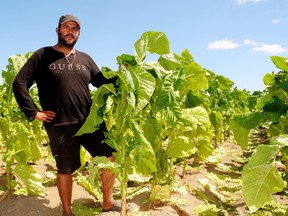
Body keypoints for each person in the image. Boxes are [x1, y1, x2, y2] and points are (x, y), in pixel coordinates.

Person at [12, 14, 120, 216]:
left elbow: (101, 82)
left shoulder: (86, 59)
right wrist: (33, 112)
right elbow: (19, 83)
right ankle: (67, 212)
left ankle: (108, 202)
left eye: (75, 29)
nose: (70, 31)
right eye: (66, 27)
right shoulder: (42, 55)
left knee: (109, 157)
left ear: (78, 33)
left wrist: (123, 76)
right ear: (57, 30)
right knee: (65, 168)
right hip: (60, 124)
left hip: (90, 122)